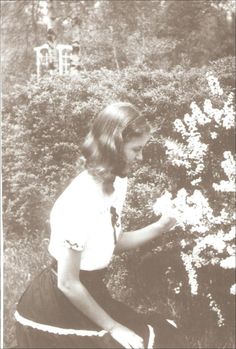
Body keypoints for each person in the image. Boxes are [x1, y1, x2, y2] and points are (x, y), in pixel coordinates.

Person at [15, 102, 183, 348]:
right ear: (113, 147)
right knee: (138, 344)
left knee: (165, 334)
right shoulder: (81, 199)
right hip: (57, 306)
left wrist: (160, 227)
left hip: (90, 292)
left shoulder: (116, 183)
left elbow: (112, 243)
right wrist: (114, 327)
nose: (141, 157)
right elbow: (68, 282)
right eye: (136, 150)